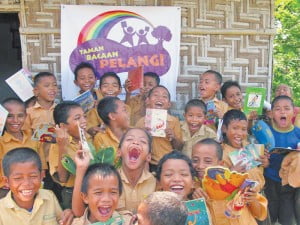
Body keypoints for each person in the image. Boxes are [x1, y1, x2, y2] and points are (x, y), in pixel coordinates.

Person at [72, 128, 156, 215]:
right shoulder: (107, 179)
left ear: (149, 157)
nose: (135, 142)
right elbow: (79, 213)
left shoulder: (155, 182)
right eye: (129, 139)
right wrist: (81, 169)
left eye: (142, 141)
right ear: (119, 152)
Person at [191, 138, 268, 225]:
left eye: (208, 161)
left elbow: (260, 214)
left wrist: (253, 200)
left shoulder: (237, 182)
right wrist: (195, 192)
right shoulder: (193, 187)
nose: (200, 166)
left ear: (220, 164)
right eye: (195, 160)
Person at [0, 147, 73, 225]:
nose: (27, 183)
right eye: (18, 178)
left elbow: (61, 220)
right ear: (6, 181)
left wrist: (67, 214)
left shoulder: (49, 196)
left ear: (42, 176)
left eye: (33, 176)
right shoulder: (1, 210)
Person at [264, 95, 300, 225]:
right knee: (269, 217)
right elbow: (256, 157)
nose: (283, 112)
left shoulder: (298, 133)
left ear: (293, 112)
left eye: (286, 108)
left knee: (287, 219)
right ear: (272, 113)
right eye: (278, 109)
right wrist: (264, 162)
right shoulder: (265, 132)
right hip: (269, 181)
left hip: (290, 186)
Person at [0, 98, 47, 198]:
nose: (16, 120)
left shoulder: (33, 137)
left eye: (20, 116)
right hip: (6, 192)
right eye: (10, 116)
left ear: (26, 116)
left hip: (32, 189)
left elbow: (42, 167)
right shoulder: (1, 142)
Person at [49, 101, 89, 209]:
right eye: (77, 118)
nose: (83, 121)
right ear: (63, 126)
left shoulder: (89, 138)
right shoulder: (57, 146)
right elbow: (62, 178)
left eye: (84, 116)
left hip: (92, 190)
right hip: (72, 194)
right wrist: (63, 147)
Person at [135, 85, 183, 172]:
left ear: (169, 104)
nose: (160, 98)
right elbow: (135, 145)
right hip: (147, 163)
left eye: (164, 96)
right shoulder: (142, 122)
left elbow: (179, 147)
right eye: (156, 95)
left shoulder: (174, 121)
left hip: (168, 162)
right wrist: (143, 135)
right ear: (148, 101)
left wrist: (173, 137)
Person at [221, 109, 267, 191]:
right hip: (238, 199)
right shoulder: (221, 152)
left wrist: (265, 162)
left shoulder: (248, 145)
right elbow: (220, 184)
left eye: (243, 129)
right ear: (224, 128)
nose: (239, 133)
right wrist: (231, 172)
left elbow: (258, 169)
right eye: (235, 128)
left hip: (256, 196)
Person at [86, 72, 130, 136]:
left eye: (114, 86)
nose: (110, 89)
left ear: (120, 90)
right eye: (105, 86)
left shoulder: (126, 108)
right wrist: (92, 130)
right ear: (99, 89)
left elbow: (128, 126)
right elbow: (89, 128)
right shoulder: (94, 111)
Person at [93, 97, 130, 162]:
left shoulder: (132, 133)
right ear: (112, 116)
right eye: (124, 110)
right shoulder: (100, 138)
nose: (128, 113)